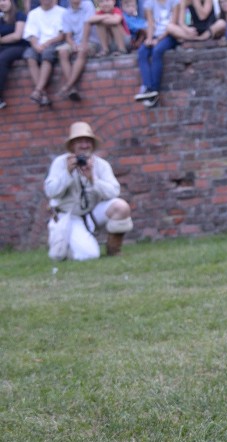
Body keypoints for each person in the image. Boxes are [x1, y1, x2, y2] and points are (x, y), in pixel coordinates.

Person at [44, 121, 134, 261]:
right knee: (88, 255)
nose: (84, 145)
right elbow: (51, 192)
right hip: (69, 216)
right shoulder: (60, 163)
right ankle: (69, 244)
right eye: (80, 141)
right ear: (72, 145)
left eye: (88, 141)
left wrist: (93, 179)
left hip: (92, 213)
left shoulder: (100, 164)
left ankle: (113, 250)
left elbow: (114, 192)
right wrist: (67, 172)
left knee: (121, 207)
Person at [135, 0, 180, 107]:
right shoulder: (149, 3)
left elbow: (172, 24)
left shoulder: (175, 2)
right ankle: (147, 87)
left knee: (157, 51)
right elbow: (150, 22)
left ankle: (154, 90)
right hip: (155, 35)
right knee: (142, 52)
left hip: (169, 35)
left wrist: (158, 39)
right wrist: (149, 39)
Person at [23, 0, 65, 105]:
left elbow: (61, 35)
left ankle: (38, 91)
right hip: (38, 44)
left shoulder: (62, 12)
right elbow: (31, 34)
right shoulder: (33, 13)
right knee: (29, 56)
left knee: (47, 55)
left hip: (54, 43)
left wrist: (46, 44)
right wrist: (36, 45)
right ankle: (43, 94)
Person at [56, 0, 98, 101]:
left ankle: (68, 85)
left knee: (82, 51)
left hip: (91, 41)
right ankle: (72, 88)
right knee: (63, 52)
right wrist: (73, 45)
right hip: (76, 41)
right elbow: (68, 36)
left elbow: (88, 24)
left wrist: (83, 44)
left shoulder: (87, 4)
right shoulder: (66, 13)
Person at [0, 0, 27, 109]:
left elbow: (17, 36)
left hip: (20, 46)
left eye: (4, 0)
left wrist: (1, 41)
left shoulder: (19, 15)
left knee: (2, 59)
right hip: (5, 47)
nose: (2, 3)